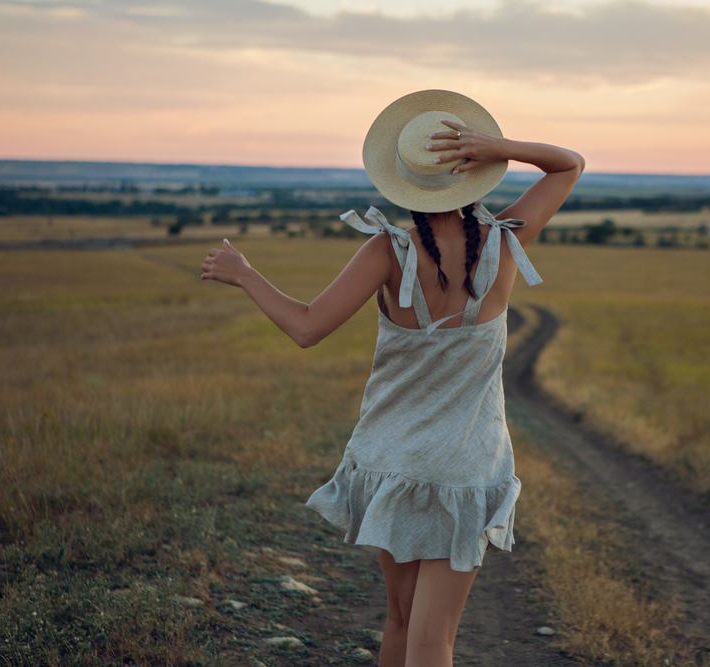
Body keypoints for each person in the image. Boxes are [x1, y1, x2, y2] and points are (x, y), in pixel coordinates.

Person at [200, 89, 584, 667]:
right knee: (436, 640)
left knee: (399, 621)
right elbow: (569, 164)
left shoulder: (387, 252)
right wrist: (496, 146)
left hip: (393, 463)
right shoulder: (503, 244)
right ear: (472, 176)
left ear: (399, 182)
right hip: (464, 467)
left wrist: (245, 274)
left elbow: (306, 328)